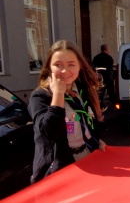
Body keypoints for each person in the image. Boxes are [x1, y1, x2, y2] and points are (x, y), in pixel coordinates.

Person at [28, 40, 107, 183]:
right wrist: (58, 95)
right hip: (58, 170)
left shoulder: (82, 90)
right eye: (58, 65)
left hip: (87, 158)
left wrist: (96, 140)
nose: (65, 71)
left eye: (71, 64)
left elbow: (89, 120)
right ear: (49, 68)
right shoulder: (40, 96)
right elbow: (49, 133)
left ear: (79, 66)